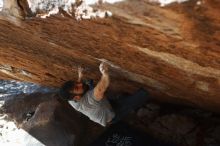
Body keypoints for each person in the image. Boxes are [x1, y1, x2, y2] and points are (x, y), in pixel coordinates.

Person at [59, 62, 149, 127]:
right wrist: (104, 73)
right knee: (139, 97)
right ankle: (147, 100)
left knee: (88, 85)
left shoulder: (70, 99)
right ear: (77, 98)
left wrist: (80, 76)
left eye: (76, 83)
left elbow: (76, 87)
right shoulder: (88, 102)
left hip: (103, 105)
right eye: (77, 87)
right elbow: (100, 89)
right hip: (112, 115)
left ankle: (121, 98)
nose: (80, 84)